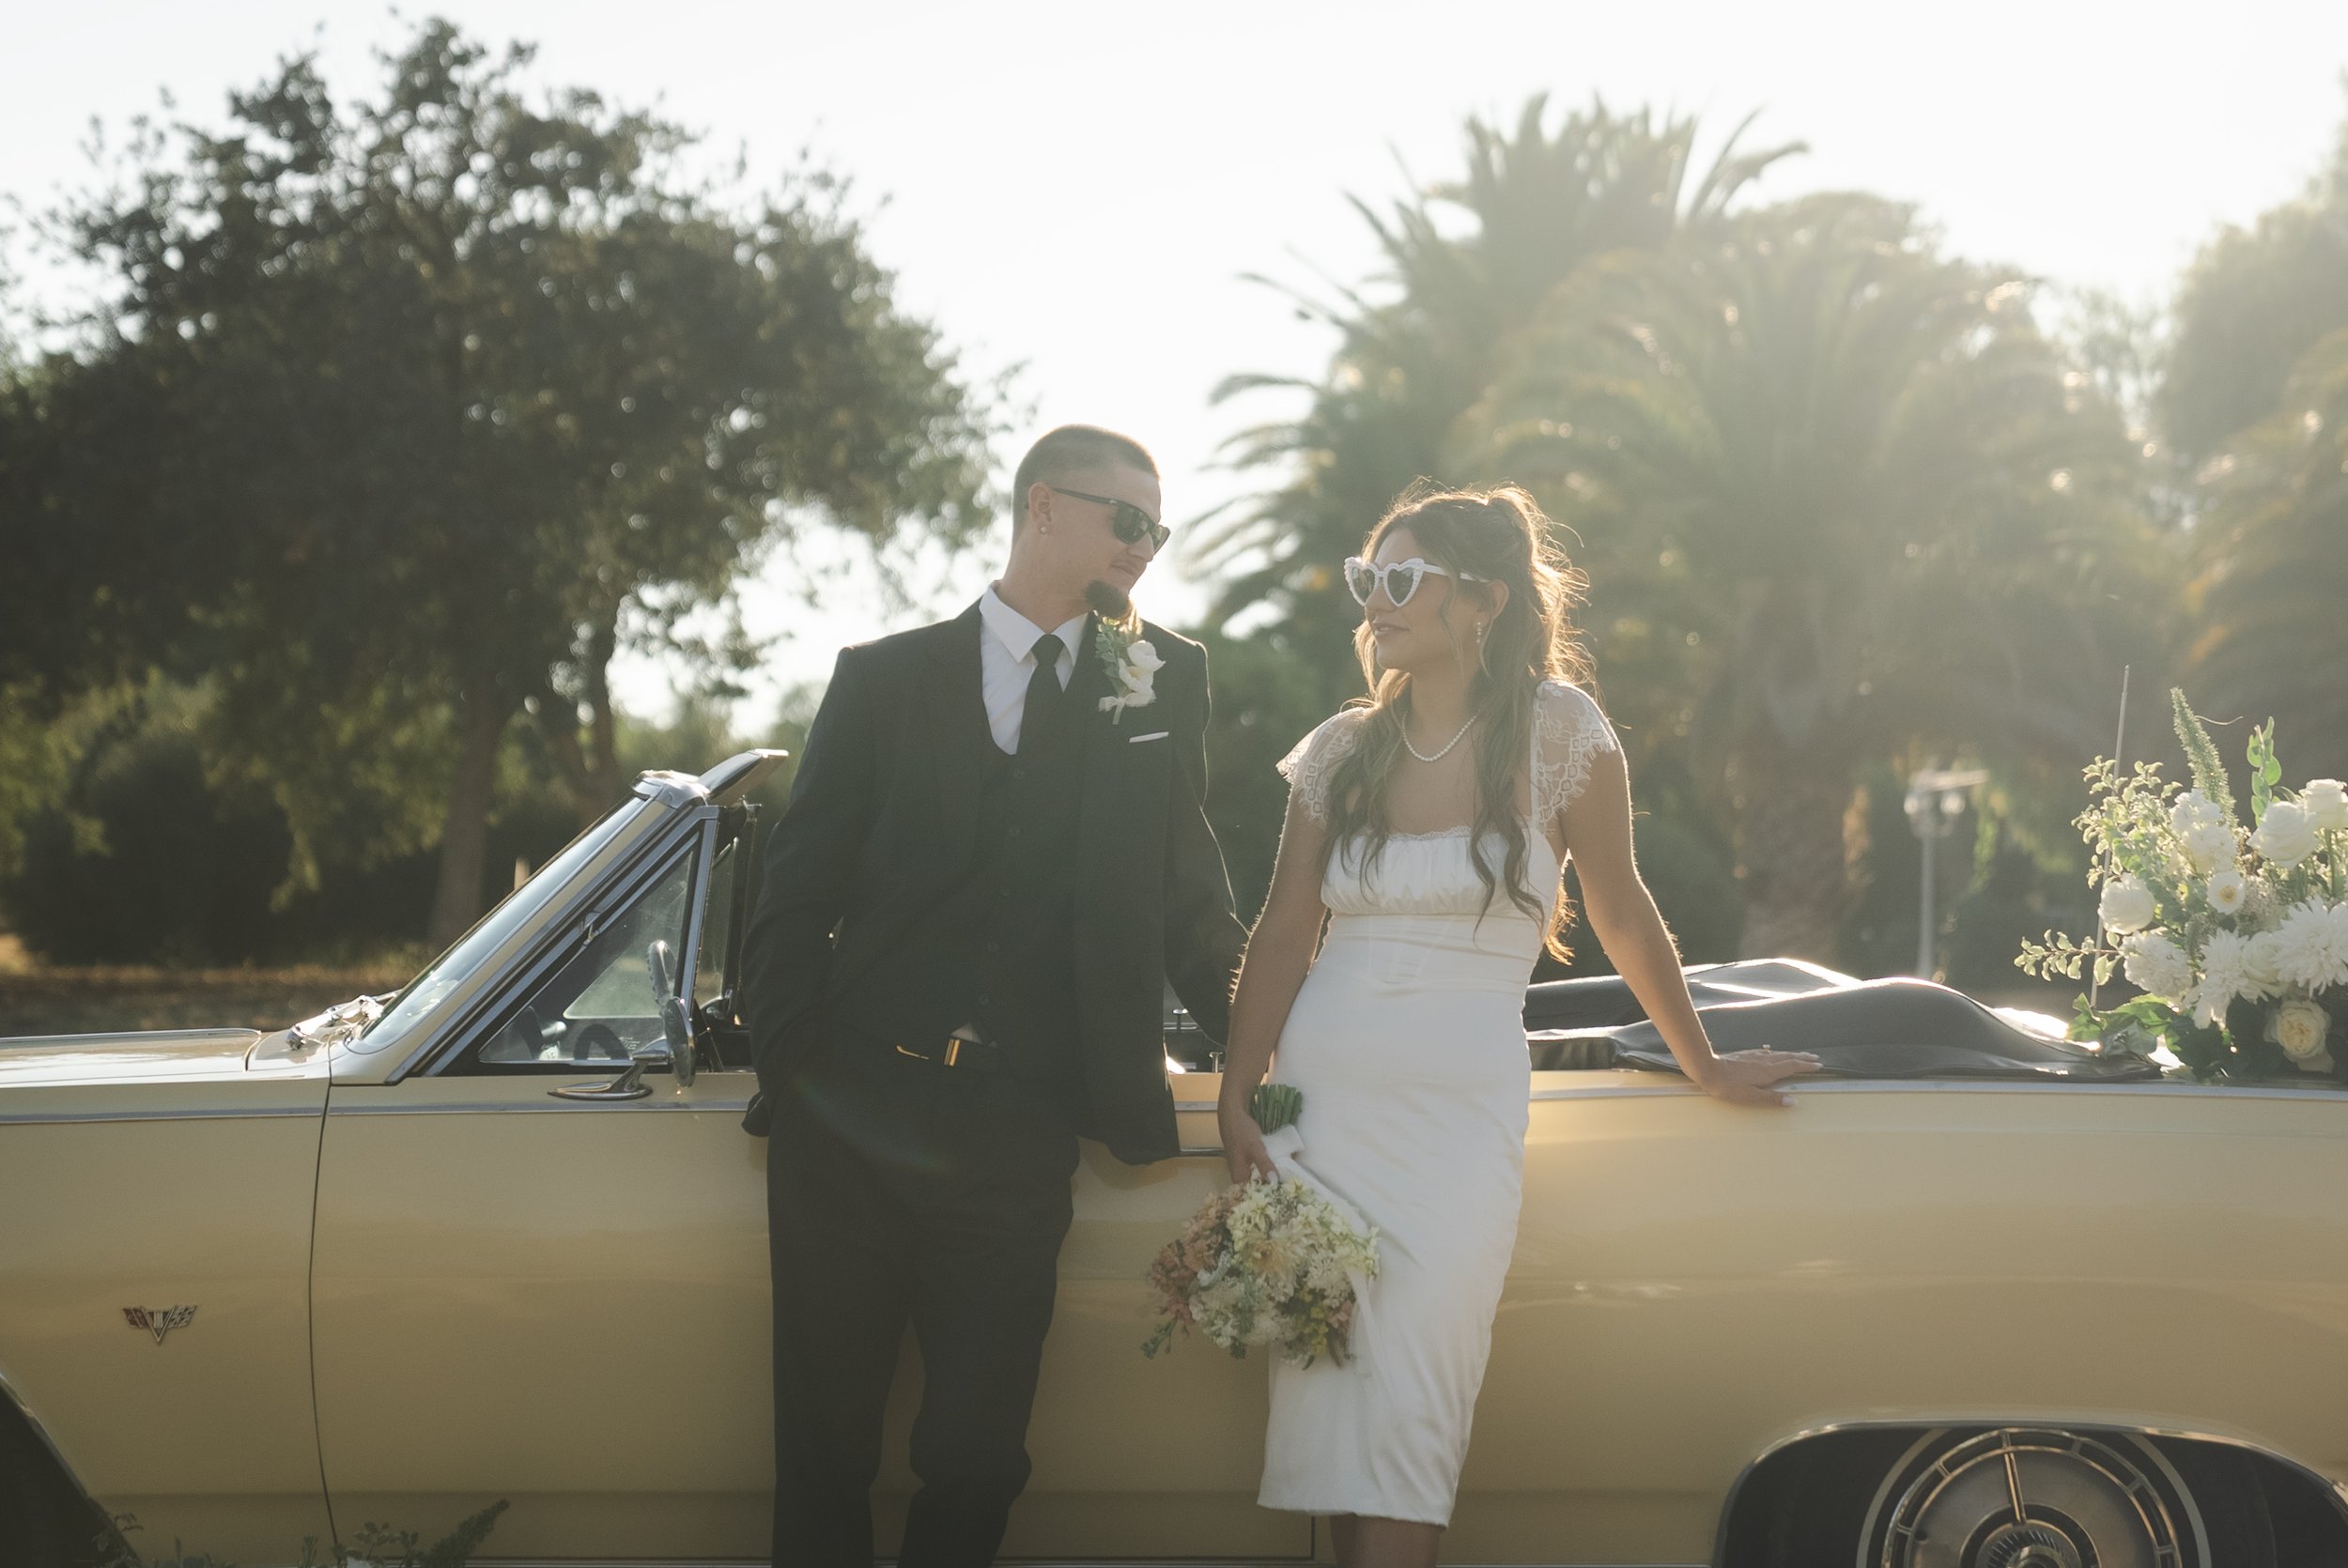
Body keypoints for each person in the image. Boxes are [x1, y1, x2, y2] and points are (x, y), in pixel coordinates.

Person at [1216, 481, 1818, 1567]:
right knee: (1334, 1388)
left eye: (1402, 580)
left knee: (1416, 1393)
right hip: (1325, 1104)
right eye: (1368, 579)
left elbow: (1625, 911)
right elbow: (1280, 930)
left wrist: (1705, 1061)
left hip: (1456, 1118)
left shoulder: (1561, 732)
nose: (1375, 602)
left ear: (1482, 600)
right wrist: (1235, 1094)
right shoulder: (1339, 751)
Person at [738, 423, 1249, 1568]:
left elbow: (1187, 900)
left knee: (978, 1451)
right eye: (1126, 519)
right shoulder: (883, 676)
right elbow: (794, 886)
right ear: (1041, 509)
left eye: (1157, 529)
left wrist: (1274, 1055)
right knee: (822, 1444)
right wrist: (797, 1070)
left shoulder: (1163, 677)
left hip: (1020, 1126)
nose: (1145, 546)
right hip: (850, 1115)